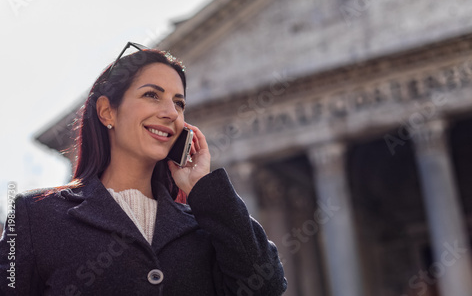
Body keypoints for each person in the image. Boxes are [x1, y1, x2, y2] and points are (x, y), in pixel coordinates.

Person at [0, 42, 287, 295]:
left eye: (179, 103)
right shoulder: (35, 215)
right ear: (107, 111)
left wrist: (203, 188)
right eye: (152, 95)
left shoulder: (205, 224)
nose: (171, 112)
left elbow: (266, 285)